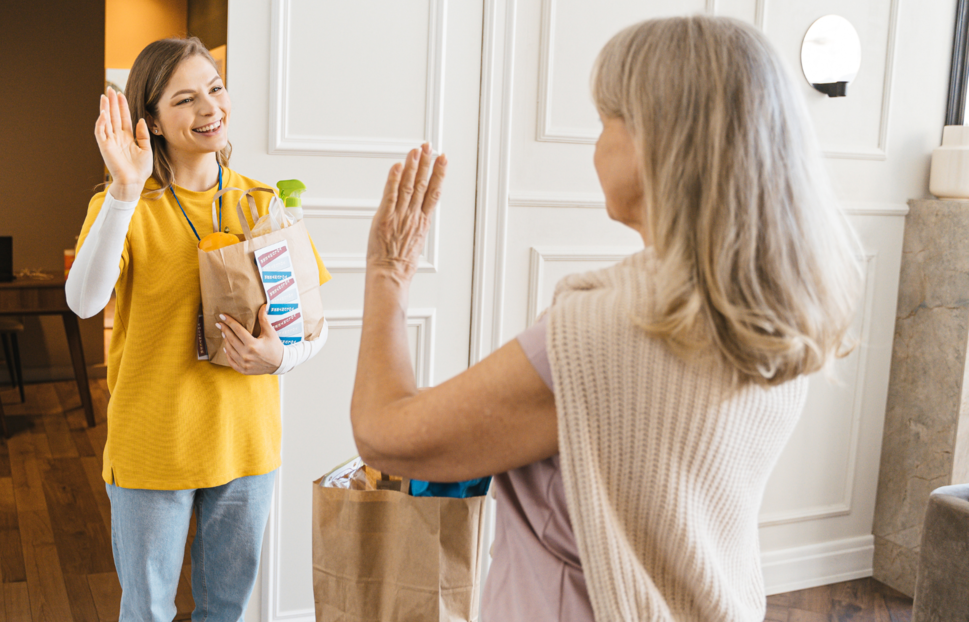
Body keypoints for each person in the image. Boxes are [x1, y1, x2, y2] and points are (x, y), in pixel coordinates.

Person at [350, 15, 860, 621]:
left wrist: (388, 272)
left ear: (658, 141)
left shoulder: (611, 332)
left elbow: (385, 437)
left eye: (604, 121)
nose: (596, 145)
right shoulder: (775, 308)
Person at [65, 37, 331, 621]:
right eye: (184, 99)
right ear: (152, 122)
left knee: (225, 610)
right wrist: (125, 191)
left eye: (214, 89)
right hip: (153, 446)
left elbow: (313, 328)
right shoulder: (125, 205)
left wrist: (278, 359)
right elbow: (84, 302)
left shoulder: (265, 204)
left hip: (246, 448)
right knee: (148, 610)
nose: (209, 109)